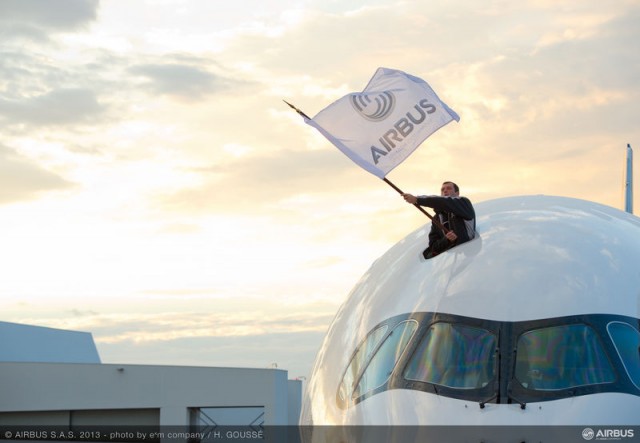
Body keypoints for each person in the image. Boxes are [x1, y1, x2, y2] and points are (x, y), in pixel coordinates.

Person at [402, 181, 476, 259]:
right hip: (450, 262)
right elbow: (433, 247)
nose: (445, 190)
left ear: (457, 193)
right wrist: (447, 240)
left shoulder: (464, 203)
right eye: (442, 189)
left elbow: (444, 202)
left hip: (469, 257)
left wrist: (417, 199)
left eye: (449, 188)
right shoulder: (436, 219)